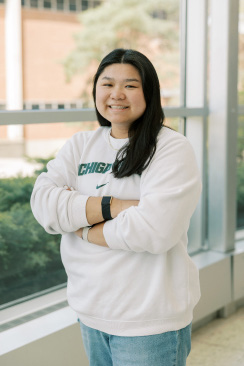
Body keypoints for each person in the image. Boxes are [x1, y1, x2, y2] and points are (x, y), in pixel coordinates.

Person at [31, 48, 202, 366]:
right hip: (90, 312)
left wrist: (79, 225)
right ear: (96, 90)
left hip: (149, 323)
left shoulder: (170, 149)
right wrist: (118, 206)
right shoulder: (80, 145)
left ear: (149, 92)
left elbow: (154, 231)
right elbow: (43, 204)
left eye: (130, 85)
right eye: (107, 84)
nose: (117, 94)